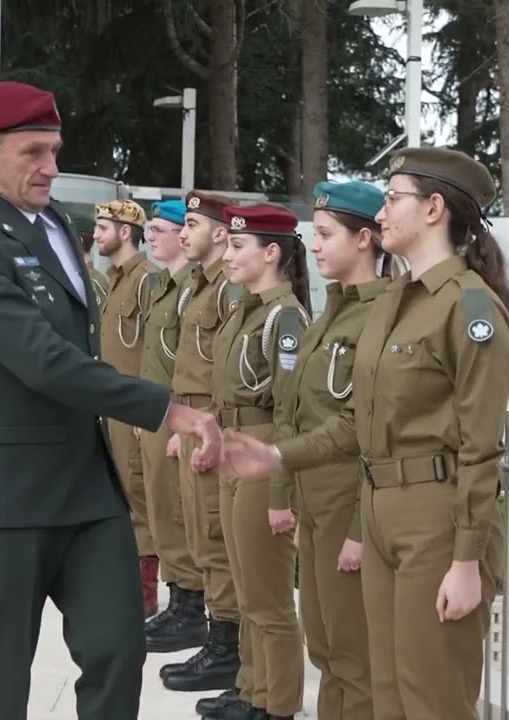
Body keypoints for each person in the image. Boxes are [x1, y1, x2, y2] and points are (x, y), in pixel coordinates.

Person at [0, 80, 221, 720]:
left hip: (86, 488)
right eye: (32, 152)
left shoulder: (57, 222)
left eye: (54, 150)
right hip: (7, 497)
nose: (50, 167)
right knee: (3, 675)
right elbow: (41, 358)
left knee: (118, 649)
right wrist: (166, 408)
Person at [222, 146, 509, 720]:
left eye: (392, 198)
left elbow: (481, 446)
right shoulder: (394, 304)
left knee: (431, 695)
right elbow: (357, 422)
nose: (381, 214)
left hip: (435, 513)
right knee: (385, 691)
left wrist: (466, 560)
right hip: (381, 503)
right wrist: (279, 455)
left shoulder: (469, 306)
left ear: (433, 208)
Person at [268, 180, 390, 720]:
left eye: (325, 234)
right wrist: (290, 494)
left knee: (352, 654)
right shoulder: (330, 313)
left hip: (348, 502)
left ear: (364, 239)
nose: (313, 246)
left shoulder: (380, 315)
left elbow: (370, 429)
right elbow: (296, 409)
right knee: (323, 645)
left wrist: (361, 529)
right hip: (316, 502)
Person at [204, 202, 313, 720]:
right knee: (247, 587)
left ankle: (279, 704)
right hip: (236, 445)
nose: (227, 255)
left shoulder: (284, 317)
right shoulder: (245, 309)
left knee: (269, 596)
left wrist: (280, 492)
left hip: (264, 446)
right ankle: (252, 690)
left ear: (271, 253)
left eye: (237, 246)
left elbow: (291, 411)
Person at [159, 189, 247, 694]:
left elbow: (228, 367)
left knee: (216, 539)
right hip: (193, 421)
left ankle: (228, 648)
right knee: (199, 535)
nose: (183, 233)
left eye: (192, 224)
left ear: (219, 232)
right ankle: (218, 638)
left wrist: (208, 425)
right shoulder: (199, 285)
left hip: (212, 425)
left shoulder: (228, 290)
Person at [139, 199, 210, 654]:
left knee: (180, 514)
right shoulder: (168, 286)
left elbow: (193, 365)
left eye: (161, 229)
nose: (155, 237)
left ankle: (191, 608)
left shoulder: (191, 288)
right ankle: (178, 598)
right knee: (161, 509)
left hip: (176, 417)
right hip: (156, 415)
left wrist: (181, 428)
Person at [93, 199, 162, 617]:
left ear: (125, 231)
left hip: (134, 408)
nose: (96, 234)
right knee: (120, 491)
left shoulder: (147, 281)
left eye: (103, 227)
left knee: (139, 495)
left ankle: (145, 592)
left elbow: (157, 348)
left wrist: (147, 405)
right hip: (112, 406)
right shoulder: (114, 280)